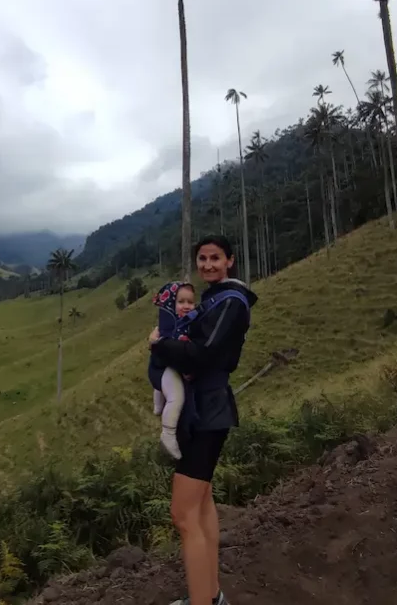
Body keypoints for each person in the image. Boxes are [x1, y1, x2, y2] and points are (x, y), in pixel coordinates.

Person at [148, 235, 257, 605]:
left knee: (182, 514)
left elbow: (200, 354)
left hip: (208, 411)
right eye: (202, 258)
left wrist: (159, 345)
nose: (208, 264)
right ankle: (211, 595)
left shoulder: (230, 302)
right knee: (202, 504)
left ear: (230, 261)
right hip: (205, 409)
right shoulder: (215, 299)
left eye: (215, 258)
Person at [149, 281, 197, 459]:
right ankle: (168, 433)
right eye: (181, 302)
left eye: (190, 302)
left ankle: (158, 405)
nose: (186, 306)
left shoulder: (187, 323)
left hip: (166, 369)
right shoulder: (170, 327)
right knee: (177, 397)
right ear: (171, 304)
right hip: (170, 368)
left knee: (163, 386)